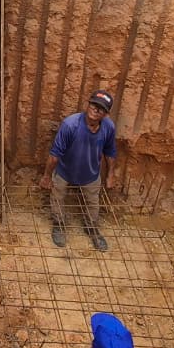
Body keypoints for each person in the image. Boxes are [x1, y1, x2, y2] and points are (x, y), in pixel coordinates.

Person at [39, 89, 118, 250]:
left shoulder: (108, 127)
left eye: (101, 108)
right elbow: (55, 155)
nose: (96, 110)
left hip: (91, 173)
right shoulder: (70, 125)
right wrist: (47, 176)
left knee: (93, 203)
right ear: (88, 104)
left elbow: (110, 152)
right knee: (57, 196)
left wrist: (110, 174)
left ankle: (91, 228)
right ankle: (59, 225)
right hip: (65, 170)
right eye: (94, 105)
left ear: (106, 114)